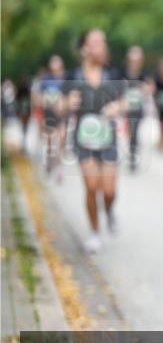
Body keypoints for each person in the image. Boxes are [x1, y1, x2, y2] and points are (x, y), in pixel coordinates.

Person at [64, 28, 124, 254]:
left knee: (109, 191)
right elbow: (59, 107)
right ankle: (94, 232)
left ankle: (109, 212)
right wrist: (68, 103)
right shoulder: (73, 76)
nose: (102, 47)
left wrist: (116, 107)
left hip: (107, 139)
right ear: (84, 48)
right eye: (97, 42)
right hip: (83, 139)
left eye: (103, 42)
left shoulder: (113, 74)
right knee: (91, 187)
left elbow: (127, 101)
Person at [32, 55, 69, 180]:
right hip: (48, 113)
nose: (55, 65)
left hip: (62, 114)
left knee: (62, 138)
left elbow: (69, 96)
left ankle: (59, 167)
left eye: (57, 62)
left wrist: (63, 105)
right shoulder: (45, 80)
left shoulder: (66, 78)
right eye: (53, 62)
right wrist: (47, 103)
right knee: (49, 140)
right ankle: (49, 159)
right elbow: (38, 97)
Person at [122, 45, 153, 171]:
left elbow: (151, 88)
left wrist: (146, 89)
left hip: (138, 109)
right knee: (129, 133)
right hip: (124, 108)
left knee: (134, 133)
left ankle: (133, 156)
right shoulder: (123, 72)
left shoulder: (145, 73)